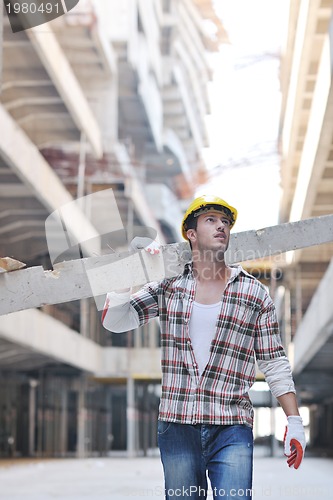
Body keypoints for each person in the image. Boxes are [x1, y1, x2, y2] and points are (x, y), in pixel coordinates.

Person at [102, 194, 306, 499]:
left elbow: (274, 362)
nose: (221, 226)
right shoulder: (168, 286)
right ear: (191, 233)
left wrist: (294, 421)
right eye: (211, 219)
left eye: (225, 222)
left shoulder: (254, 293)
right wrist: (134, 269)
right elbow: (115, 320)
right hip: (177, 424)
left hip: (231, 425)